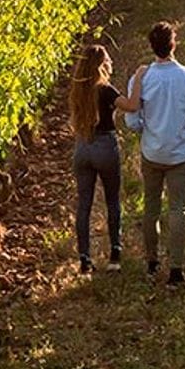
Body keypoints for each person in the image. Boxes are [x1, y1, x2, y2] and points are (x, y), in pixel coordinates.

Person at [125, 21, 185, 285]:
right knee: (178, 210)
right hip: (180, 153)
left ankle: (151, 263)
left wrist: (144, 130)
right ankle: (176, 270)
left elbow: (131, 119)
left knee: (151, 207)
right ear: (174, 45)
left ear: (152, 47)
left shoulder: (142, 78)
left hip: (152, 151)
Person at [68, 43, 138, 273]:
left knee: (84, 205)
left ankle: (84, 259)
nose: (110, 62)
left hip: (82, 146)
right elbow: (130, 106)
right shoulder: (105, 89)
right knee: (112, 201)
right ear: (101, 65)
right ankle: (115, 253)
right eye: (107, 59)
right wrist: (138, 80)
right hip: (105, 146)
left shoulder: (79, 90)